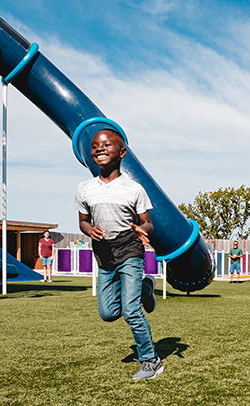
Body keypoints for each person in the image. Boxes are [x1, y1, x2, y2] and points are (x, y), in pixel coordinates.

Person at [76, 128, 163, 380]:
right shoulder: (85, 189)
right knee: (108, 313)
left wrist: (140, 229)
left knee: (131, 310)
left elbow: (148, 223)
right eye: (95, 146)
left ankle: (150, 361)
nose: (100, 149)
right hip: (104, 255)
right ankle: (147, 288)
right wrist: (89, 229)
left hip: (129, 250)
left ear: (122, 152)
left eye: (106, 145)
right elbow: (82, 221)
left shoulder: (134, 189)